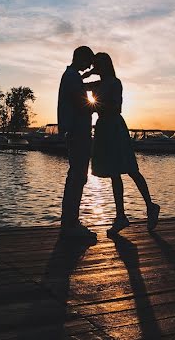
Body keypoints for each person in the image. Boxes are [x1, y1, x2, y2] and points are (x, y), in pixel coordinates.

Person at [85, 52, 160, 234]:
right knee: (113, 173)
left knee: (131, 169)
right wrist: (87, 74)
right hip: (103, 127)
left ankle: (150, 206)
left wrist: (92, 107)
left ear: (107, 65)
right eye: (95, 64)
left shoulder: (114, 83)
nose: (97, 67)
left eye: (99, 64)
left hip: (114, 126)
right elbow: (78, 86)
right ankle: (121, 216)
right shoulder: (98, 83)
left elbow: (115, 106)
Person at [57, 45, 97, 241]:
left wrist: (89, 77)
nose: (90, 65)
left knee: (76, 176)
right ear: (81, 58)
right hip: (78, 132)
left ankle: (70, 221)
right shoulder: (72, 77)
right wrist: (101, 107)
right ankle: (70, 224)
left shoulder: (72, 76)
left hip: (76, 131)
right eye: (88, 61)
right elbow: (81, 103)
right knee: (78, 177)